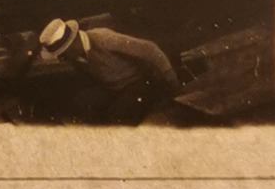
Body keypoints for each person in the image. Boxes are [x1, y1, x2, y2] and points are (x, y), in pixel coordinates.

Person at [37, 17, 180, 125]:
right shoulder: (74, 55)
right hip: (110, 88)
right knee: (80, 103)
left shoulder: (103, 38)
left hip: (136, 83)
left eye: (63, 52)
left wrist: (171, 79)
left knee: (116, 115)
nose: (62, 58)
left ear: (73, 43)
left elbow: (150, 49)